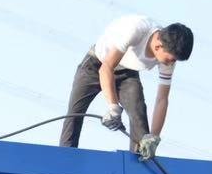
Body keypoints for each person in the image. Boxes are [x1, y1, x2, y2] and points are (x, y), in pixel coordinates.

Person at [60, 15, 194, 153]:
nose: (171, 63)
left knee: (139, 113)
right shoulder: (136, 30)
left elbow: (162, 99)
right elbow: (106, 68)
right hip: (97, 63)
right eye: (171, 59)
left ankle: (139, 158)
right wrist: (113, 107)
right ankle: (66, 155)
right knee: (74, 113)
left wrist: (154, 137)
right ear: (158, 46)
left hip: (127, 72)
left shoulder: (169, 56)